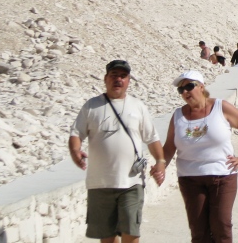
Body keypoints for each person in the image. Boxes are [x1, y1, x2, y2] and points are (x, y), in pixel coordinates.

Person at [69, 60, 166, 243]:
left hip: (131, 182)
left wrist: (160, 161)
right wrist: (75, 150)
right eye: (114, 75)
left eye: (123, 76)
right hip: (100, 184)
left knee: (131, 232)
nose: (118, 79)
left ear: (128, 81)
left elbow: (152, 138)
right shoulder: (91, 106)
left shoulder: (137, 106)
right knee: (107, 237)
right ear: (105, 78)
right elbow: (76, 133)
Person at [163, 70, 238, 243]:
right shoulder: (177, 115)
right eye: (181, 89)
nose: (185, 92)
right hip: (190, 179)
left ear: (201, 86)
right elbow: (169, 147)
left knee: (221, 226)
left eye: (189, 86)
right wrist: (160, 167)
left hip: (222, 176)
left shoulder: (220, 107)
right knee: (199, 231)